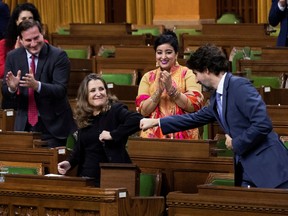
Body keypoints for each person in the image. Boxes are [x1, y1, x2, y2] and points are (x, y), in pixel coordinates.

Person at [140, 44, 288, 189]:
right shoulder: (217, 97)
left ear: (206, 70)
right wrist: (156, 122)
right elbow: (194, 118)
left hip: (271, 170)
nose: (196, 80)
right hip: (247, 171)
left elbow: (263, 124)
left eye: (196, 74)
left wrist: (236, 143)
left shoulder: (239, 86)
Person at [58, 73, 143, 186]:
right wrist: (69, 162)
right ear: (85, 95)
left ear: (106, 92)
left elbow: (137, 119)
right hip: (87, 177)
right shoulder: (85, 116)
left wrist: (113, 134)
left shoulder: (115, 110)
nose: (98, 93)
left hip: (112, 176)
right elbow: (81, 147)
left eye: (101, 89)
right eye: (93, 90)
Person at [2, 19, 77, 148]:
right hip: (24, 125)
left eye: (36, 38)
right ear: (20, 40)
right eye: (28, 40)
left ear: (42, 33)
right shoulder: (13, 57)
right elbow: (5, 91)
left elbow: (60, 90)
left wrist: (37, 86)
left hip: (53, 126)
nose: (33, 44)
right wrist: (12, 88)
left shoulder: (58, 56)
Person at [136, 30, 204, 139]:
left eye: (168, 52)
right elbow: (143, 111)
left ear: (176, 54)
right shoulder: (148, 77)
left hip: (183, 131)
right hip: (153, 134)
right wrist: (158, 91)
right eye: (159, 52)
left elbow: (194, 106)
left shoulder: (188, 73)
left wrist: (171, 89)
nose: (163, 57)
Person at [0, 2, 44, 109]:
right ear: (16, 21)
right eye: (23, 19)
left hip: (39, 96)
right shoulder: (4, 44)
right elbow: (1, 73)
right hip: (13, 96)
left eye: (30, 18)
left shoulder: (42, 44)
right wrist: (16, 54)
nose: (27, 22)